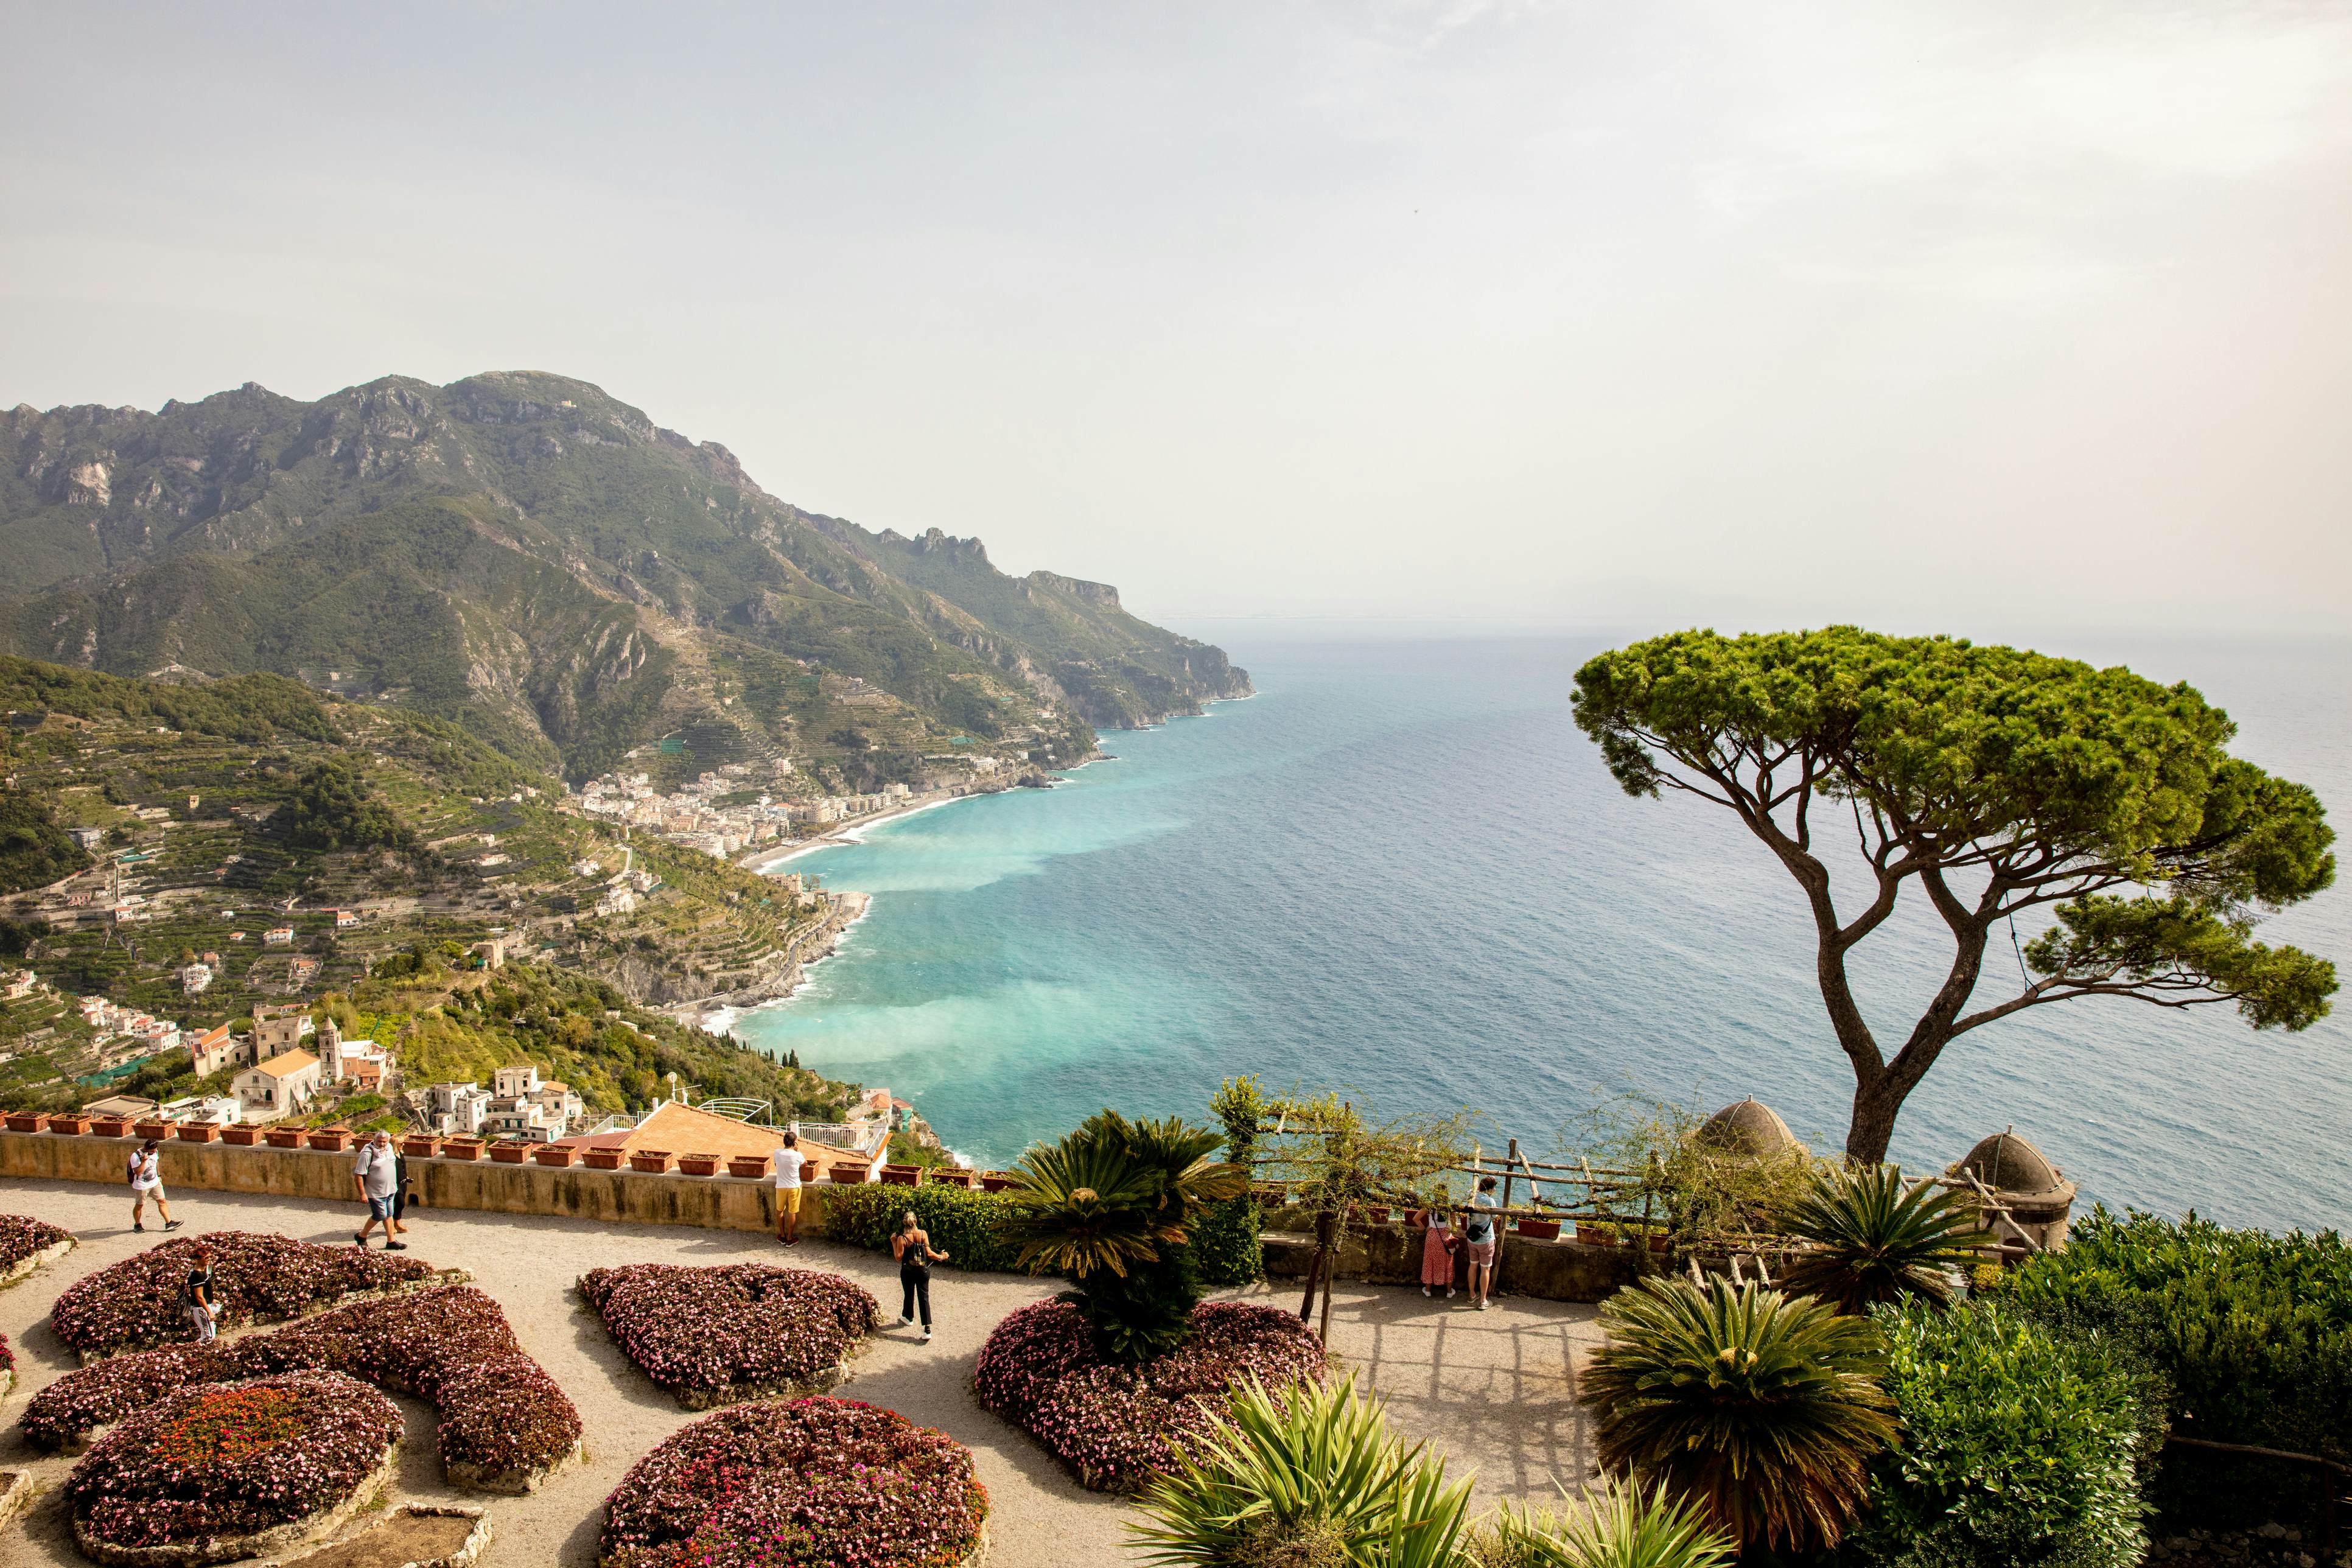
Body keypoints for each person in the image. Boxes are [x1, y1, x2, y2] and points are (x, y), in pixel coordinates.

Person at [891, 1209, 948, 1342]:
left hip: (908, 1272)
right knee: (924, 1298)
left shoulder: (902, 1238)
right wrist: (941, 1256)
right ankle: (927, 1330)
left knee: (909, 1294)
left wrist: (894, 1242)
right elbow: (929, 1253)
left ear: (904, 1223)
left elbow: (898, 1257)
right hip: (923, 1271)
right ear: (916, 1221)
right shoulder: (923, 1233)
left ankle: (908, 1318)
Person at [352, 1130, 405, 1250]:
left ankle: (391, 1240)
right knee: (380, 1215)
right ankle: (362, 1236)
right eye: (379, 1141)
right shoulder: (367, 1153)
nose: (381, 1144)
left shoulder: (390, 1147)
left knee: (389, 1214)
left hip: (390, 1189)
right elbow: (359, 1175)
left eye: (384, 1142)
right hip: (375, 1191)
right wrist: (363, 1194)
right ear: (374, 1140)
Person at [1464, 1175, 1501, 1311]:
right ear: (1491, 1189)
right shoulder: (1490, 1202)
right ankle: (1483, 1300)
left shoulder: (1471, 1195)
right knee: (1485, 1268)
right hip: (1486, 1239)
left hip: (1472, 1238)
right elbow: (1495, 1216)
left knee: (1473, 1265)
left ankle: (1472, 1294)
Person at [128, 1138, 180, 1233]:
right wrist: (144, 1161)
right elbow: (138, 1173)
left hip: (155, 1182)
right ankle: (137, 1225)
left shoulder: (155, 1152)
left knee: (162, 1201)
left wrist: (159, 1175)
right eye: (152, 1151)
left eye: (155, 1150)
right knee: (140, 1205)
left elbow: (156, 1163)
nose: (154, 1152)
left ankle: (169, 1223)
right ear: (146, 1148)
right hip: (142, 1185)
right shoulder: (136, 1156)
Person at [1417, 1197, 1457, 1300]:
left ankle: (1428, 1291)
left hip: (1432, 1237)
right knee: (1448, 1263)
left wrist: (1425, 1228)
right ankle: (1449, 1292)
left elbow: (1415, 1219)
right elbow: (1455, 1226)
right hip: (1445, 1237)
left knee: (1429, 1262)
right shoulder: (1450, 1207)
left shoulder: (1429, 1206)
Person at [772, 1132, 803, 1245]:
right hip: (794, 1186)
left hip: (781, 1186)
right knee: (792, 1212)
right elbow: (805, 1164)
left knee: (779, 1210)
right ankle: (790, 1238)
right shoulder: (798, 1155)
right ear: (795, 1143)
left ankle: (782, 1236)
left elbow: (777, 1165)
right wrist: (798, 1151)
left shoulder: (777, 1153)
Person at [184, 1242, 217, 1344]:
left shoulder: (203, 1271)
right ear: (199, 1259)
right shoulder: (197, 1275)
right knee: (209, 1336)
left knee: (206, 1334)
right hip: (200, 1309)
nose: (209, 1260)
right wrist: (209, 1312)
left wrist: (211, 1299)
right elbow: (199, 1297)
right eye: (206, 1258)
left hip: (204, 1307)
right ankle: (196, 1351)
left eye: (210, 1257)